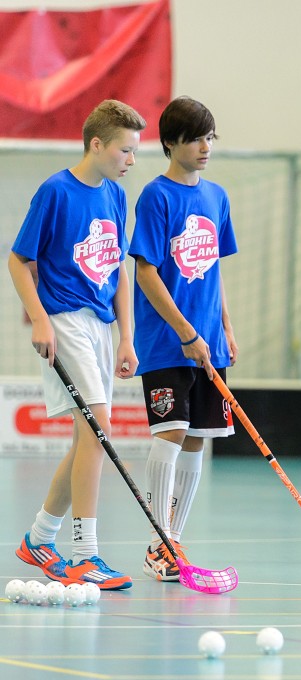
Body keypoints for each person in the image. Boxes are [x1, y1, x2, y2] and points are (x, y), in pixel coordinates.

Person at [8, 99, 146, 590]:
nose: (132, 160)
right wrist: (40, 321)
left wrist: (126, 336)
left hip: (101, 326)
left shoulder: (116, 195)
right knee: (99, 430)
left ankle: (39, 537)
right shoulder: (56, 191)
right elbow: (18, 260)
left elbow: (119, 271)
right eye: (125, 150)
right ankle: (85, 555)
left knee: (89, 436)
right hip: (64, 320)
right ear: (97, 144)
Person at [129, 96, 238, 583]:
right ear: (170, 143)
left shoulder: (217, 197)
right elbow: (146, 273)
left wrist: (224, 328)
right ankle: (160, 542)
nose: (205, 146)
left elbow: (213, 272)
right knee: (171, 433)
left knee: (197, 440)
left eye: (210, 137)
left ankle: (173, 540)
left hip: (208, 341)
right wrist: (186, 332)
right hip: (167, 340)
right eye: (195, 138)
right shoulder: (156, 196)